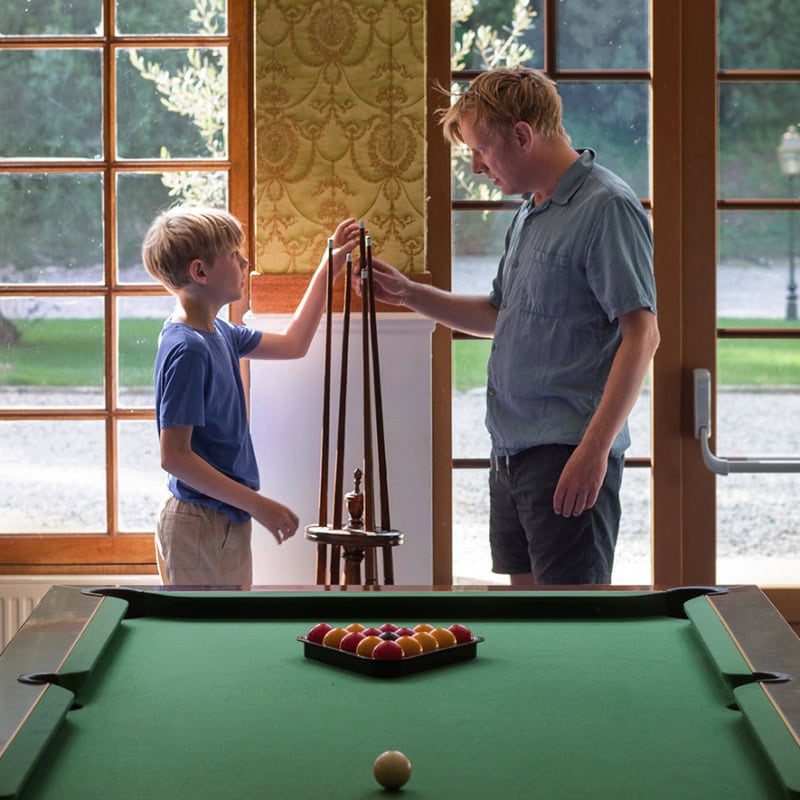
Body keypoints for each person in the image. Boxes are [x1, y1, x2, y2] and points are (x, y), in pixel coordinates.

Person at [364, 67, 659, 585]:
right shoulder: (528, 212)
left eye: (481, 150)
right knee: (524, 616)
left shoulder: (607, 207)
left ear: (523, 135)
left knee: (567, 624)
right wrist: (409, 294)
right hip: (509, 454)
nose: (476, 167)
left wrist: (593, 452)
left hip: (568, 455)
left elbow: (643, 334)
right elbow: (499, 317)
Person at [142, 206, 360, 585]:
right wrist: (260, 506)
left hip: (225, 518)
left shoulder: (220, 332)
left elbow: (294, 343)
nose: (244, 262)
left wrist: (328, 270)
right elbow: (174, 456)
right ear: (200, 272)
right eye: (233, 254)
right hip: (199, 525)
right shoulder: (188, 349)